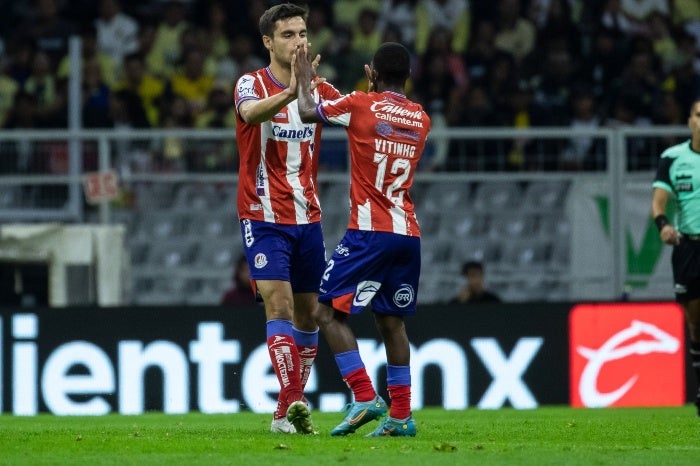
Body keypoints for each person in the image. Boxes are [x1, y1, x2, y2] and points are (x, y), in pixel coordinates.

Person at [294, 41, 431, 436]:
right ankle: (402, 417)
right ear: (408, 76)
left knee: (325, 313)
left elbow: (307, 111)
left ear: (371, 73)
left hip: (369, 233)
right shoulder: (421, 118)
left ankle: (364, 395)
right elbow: (383, 117)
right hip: (408, 233)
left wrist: (305, 79)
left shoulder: (360, 104)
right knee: (392, 322)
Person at [233, 3, 341, 435]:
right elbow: (249, 114)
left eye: (302, 33)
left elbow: (354, 116)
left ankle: (283, 414)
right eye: (288, 34)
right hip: (262, 215)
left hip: (308, 216)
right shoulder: (250, 83)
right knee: (277, 305)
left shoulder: (321, 89)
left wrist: (376, 99)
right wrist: (292, 89)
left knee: (310, 315)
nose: (298, 41)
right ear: (268, 42)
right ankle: (296, 400)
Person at [650, 97, 700, 417]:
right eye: (699, 114)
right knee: (696, 325)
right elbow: (658, 203)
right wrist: (663, 225)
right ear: (689, 120)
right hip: (689, 248)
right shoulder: (673, 157)